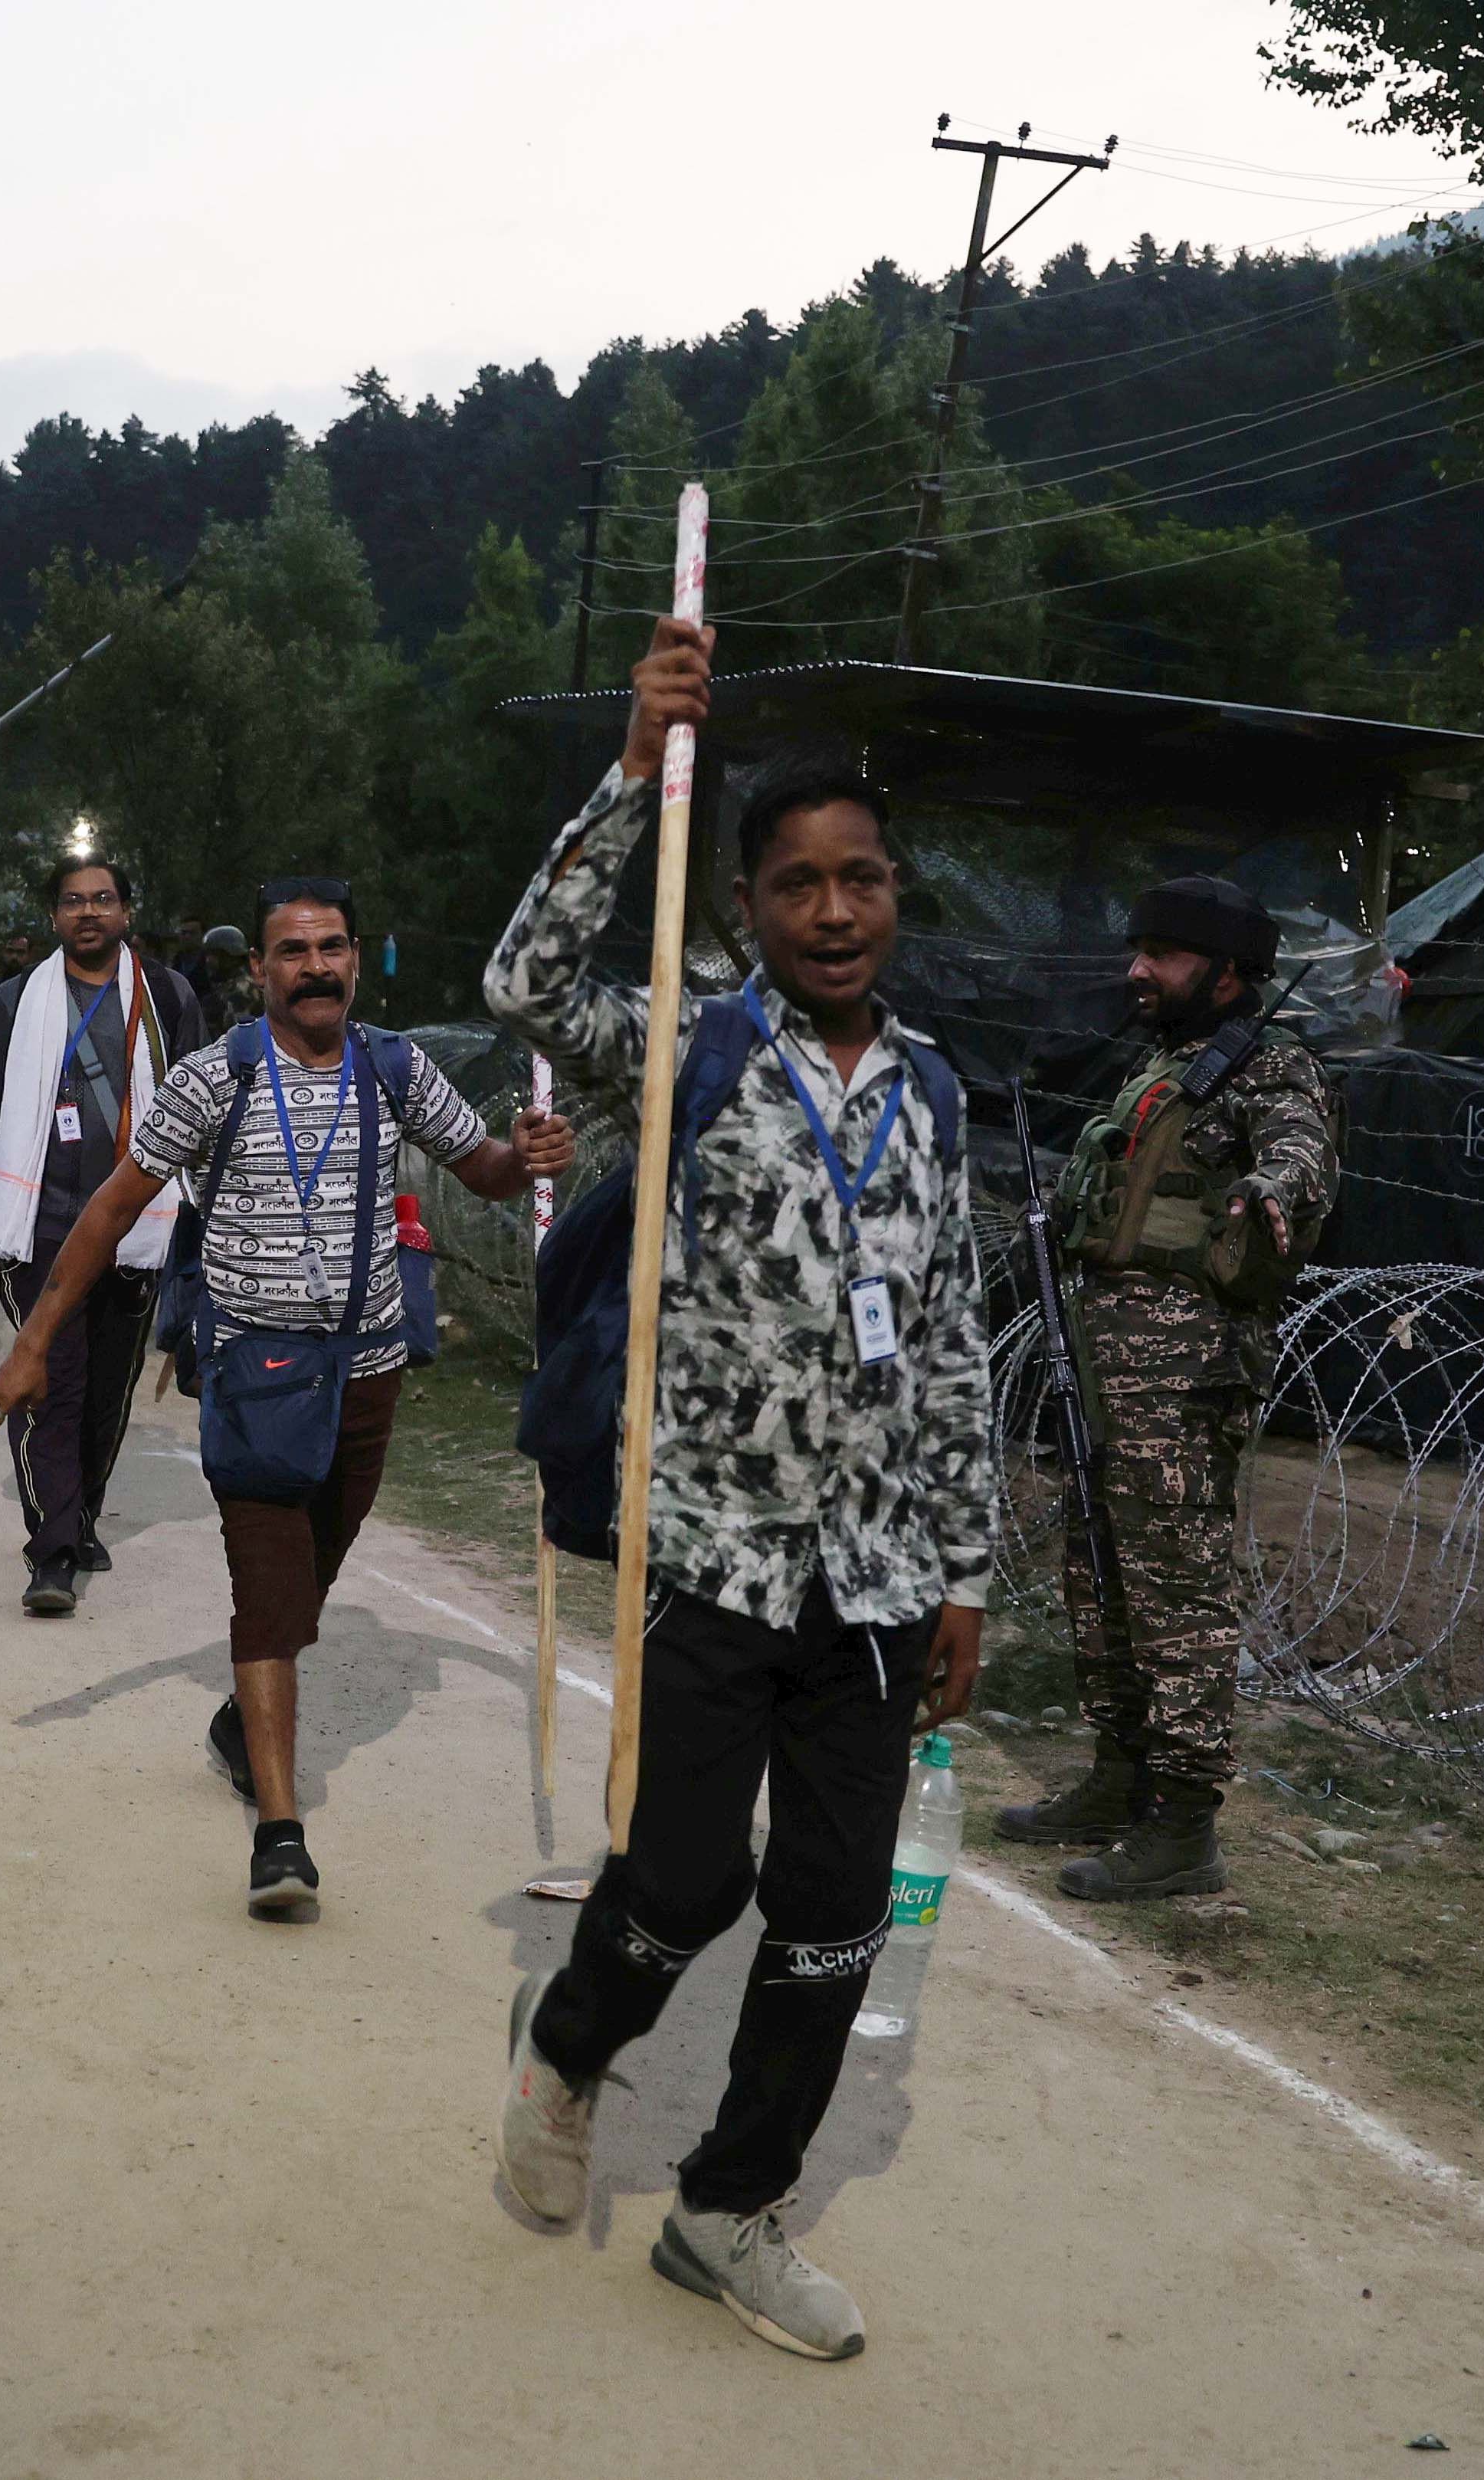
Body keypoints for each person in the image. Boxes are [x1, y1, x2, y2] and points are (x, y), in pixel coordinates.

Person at [482, 620, 989, 2364]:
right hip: (709, 1553)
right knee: (681, 1883)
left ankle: (727, 2207)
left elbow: (950, 1342)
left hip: (873, 1581)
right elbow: (522, 980)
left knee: (841, 1911)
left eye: (859, 879)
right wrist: (634, 770)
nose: (832, 911)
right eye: (794, 885)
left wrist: (969, 1569)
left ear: (894, 894)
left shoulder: (931, 1098)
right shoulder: (691, 1048)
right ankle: (568, 2047)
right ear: (752, 907)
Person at [0, 879, 569, 1913]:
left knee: (309, 1579)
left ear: (354, 956)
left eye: (331, 947)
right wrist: (33, 1342)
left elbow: (481, 1170)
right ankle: (280, 1835)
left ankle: (233, 1730)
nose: (314, 968)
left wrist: (528, 1157)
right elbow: (111, 1210)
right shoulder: (215, 1078)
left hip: (369, 1371)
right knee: (267, 1591)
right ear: (260, 971)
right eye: (290, 952)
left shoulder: (395, 1067)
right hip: (255, 1377)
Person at [997, 876, 1335, 1902]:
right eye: (1139, 948)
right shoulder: (1164, 1068)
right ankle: (1120, 1776)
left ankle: (1185, 1826)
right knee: (1099, 1577)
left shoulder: (1272, 1069)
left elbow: (1302, 1152)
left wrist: (1276, 1190)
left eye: (1168, 955)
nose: (1138, 969)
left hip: (1183, 1376)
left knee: (1175, 1593)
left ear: (1231, 973)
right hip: (1105, 1365)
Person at [0, 856, 202, 1612]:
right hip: (39, 1224)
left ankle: (81, 1507)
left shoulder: (166, 994)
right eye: (72, 901)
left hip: (136, 1223)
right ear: (53, 917)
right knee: (48, 1383)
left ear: (127, 911)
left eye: (102, 899)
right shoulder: (12, 1001)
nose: (87, 912)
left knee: (105, 1391)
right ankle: (53, 1547)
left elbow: (198, 1100)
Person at [186, 921, 250, 1038]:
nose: (208, 961)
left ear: (230, 956)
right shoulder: (221, 991)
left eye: (213, 955)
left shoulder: (240, 993)